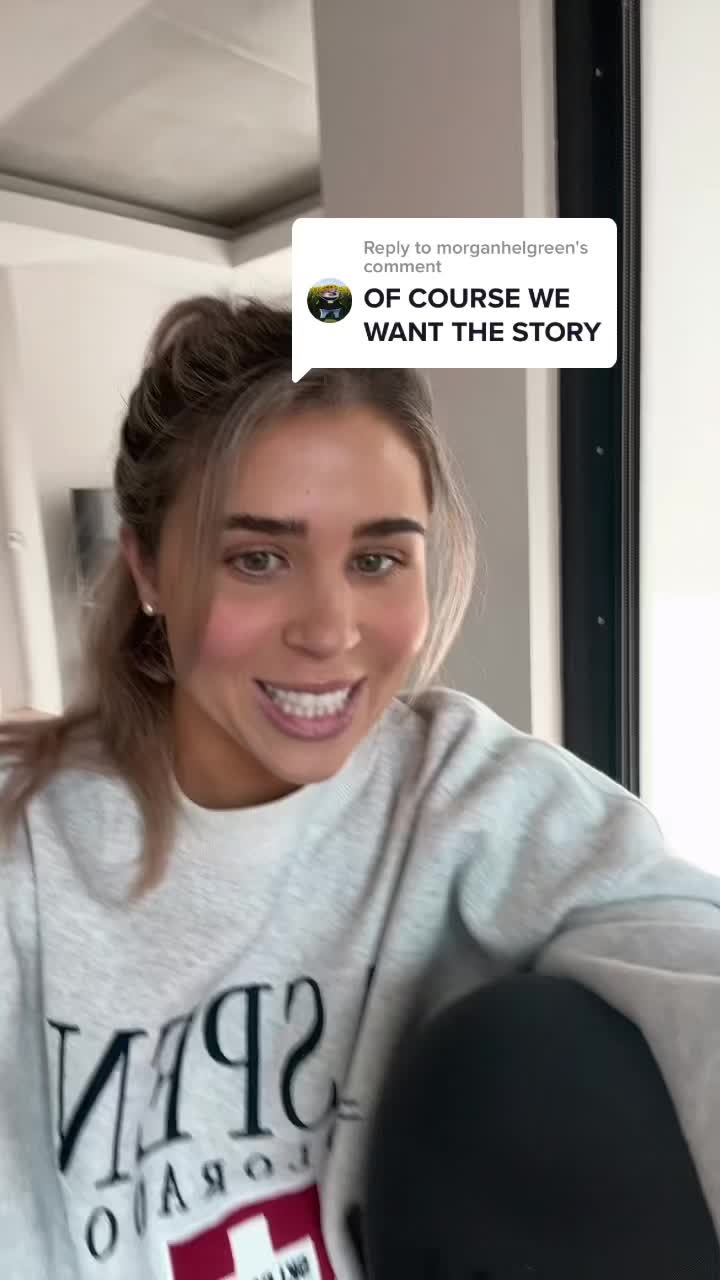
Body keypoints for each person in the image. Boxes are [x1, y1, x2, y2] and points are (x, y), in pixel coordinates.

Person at [1, 293, 719, 1280]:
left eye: (377, 558)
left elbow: (692, 963)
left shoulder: (466, 797)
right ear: (148, 567)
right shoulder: (27, 844)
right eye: (258, 558)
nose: (331, 629)